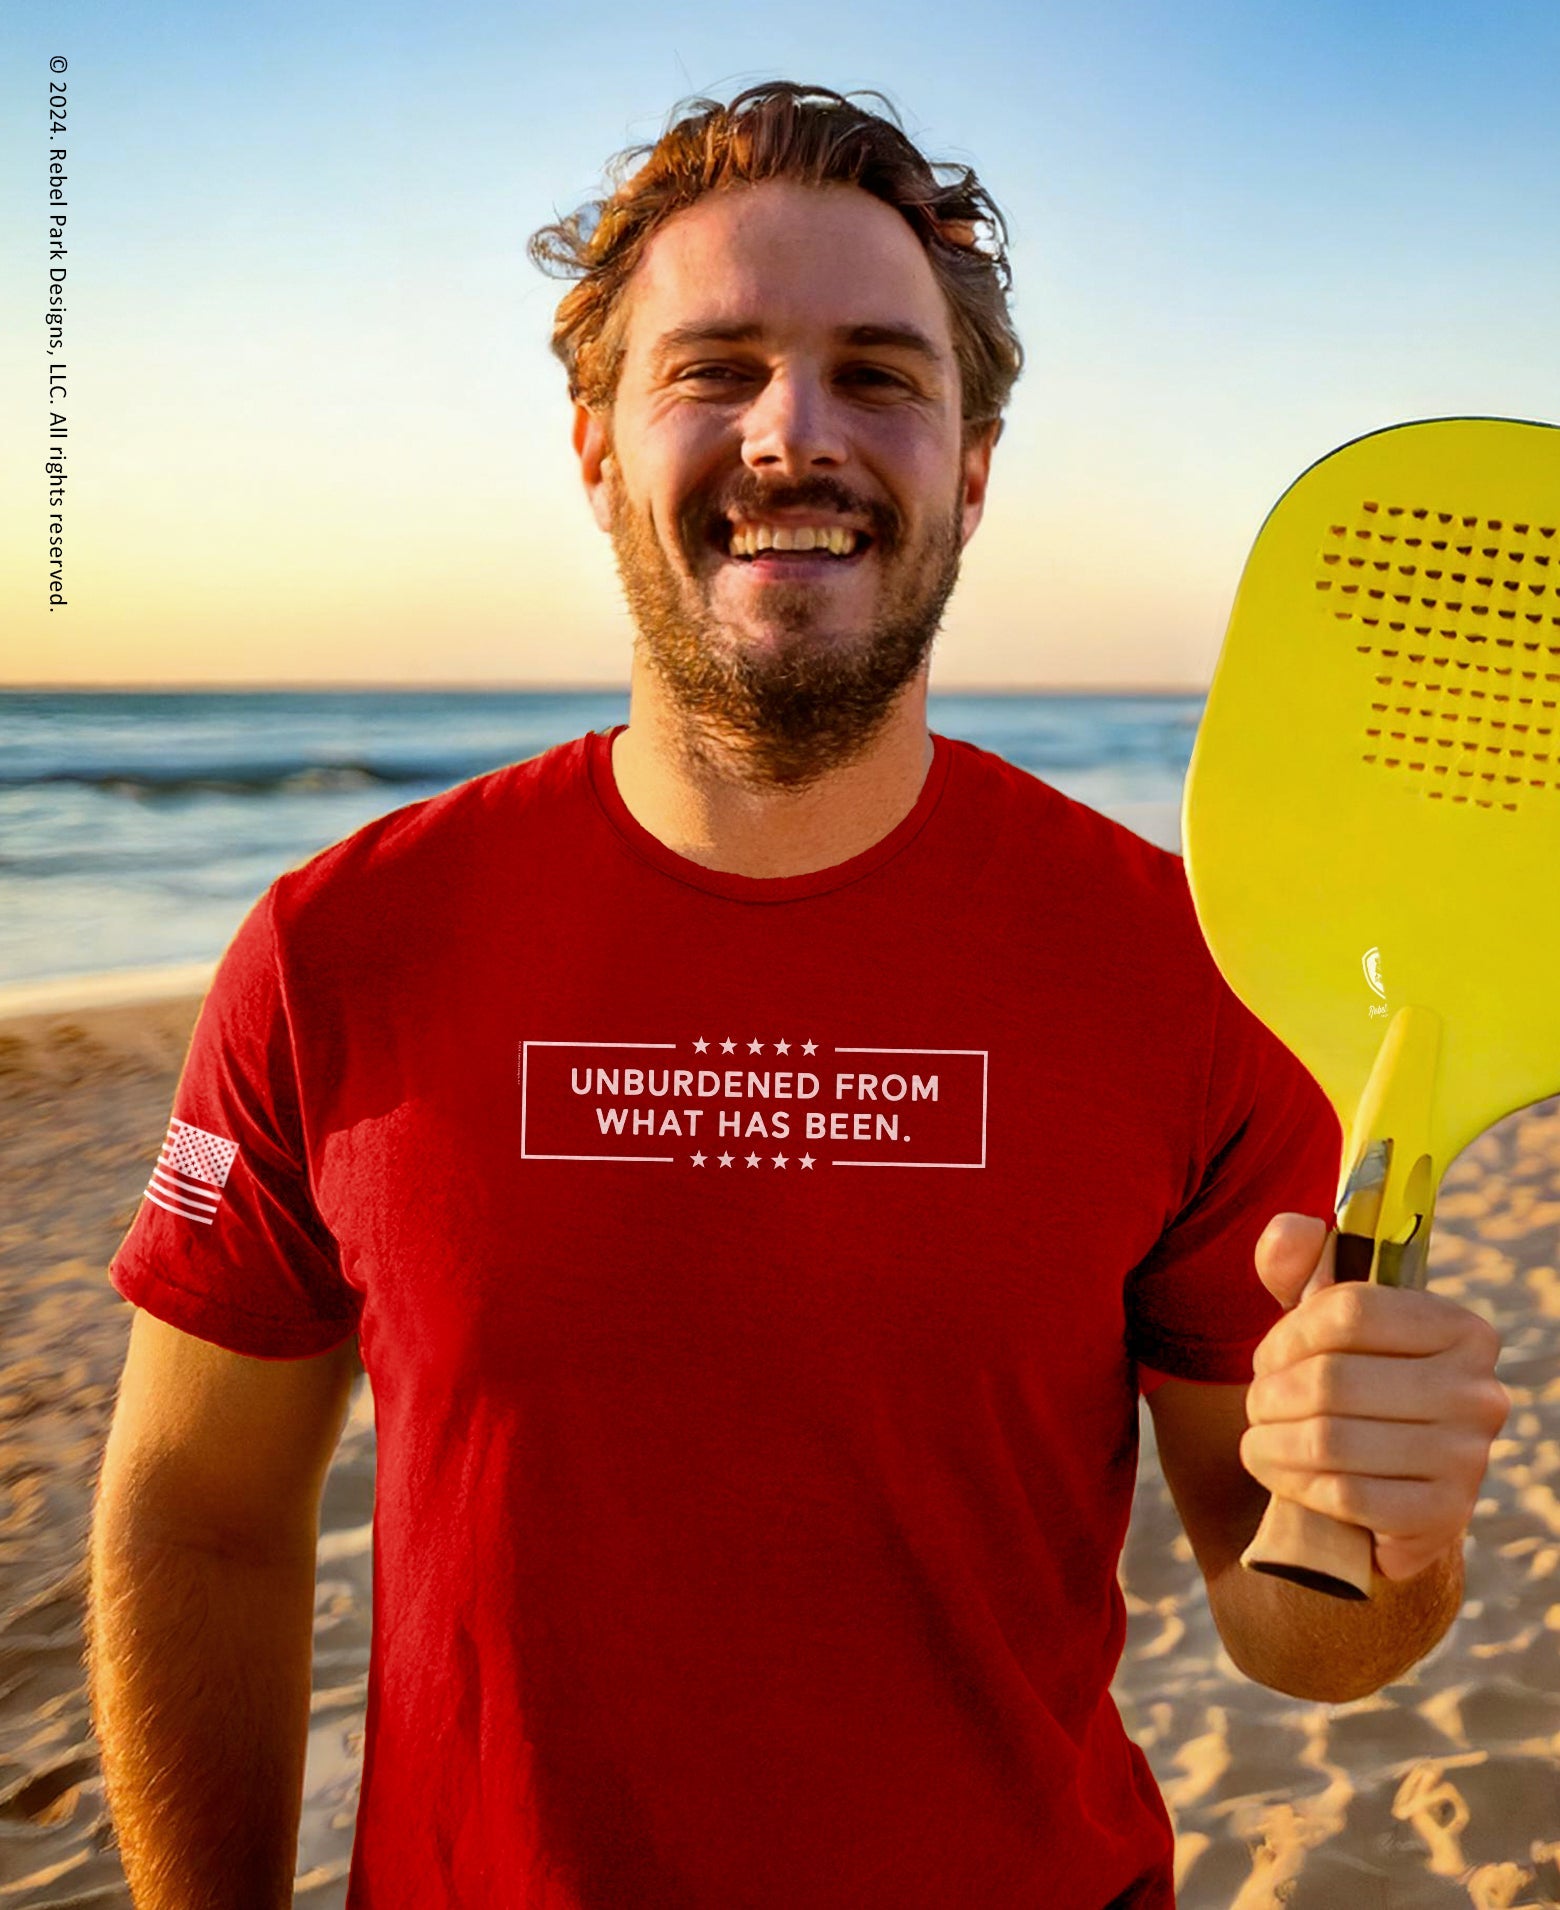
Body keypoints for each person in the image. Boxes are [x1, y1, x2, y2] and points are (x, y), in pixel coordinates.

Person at [88, 81, 1509, 1909]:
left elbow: (1293, 1621)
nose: (795, 435)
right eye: (717, 368)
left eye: (881, 375)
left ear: (971, 470)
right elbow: (197, 1517)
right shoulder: (341, 948)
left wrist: (1390, 1527)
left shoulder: (1185, 974)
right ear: (596, 447)